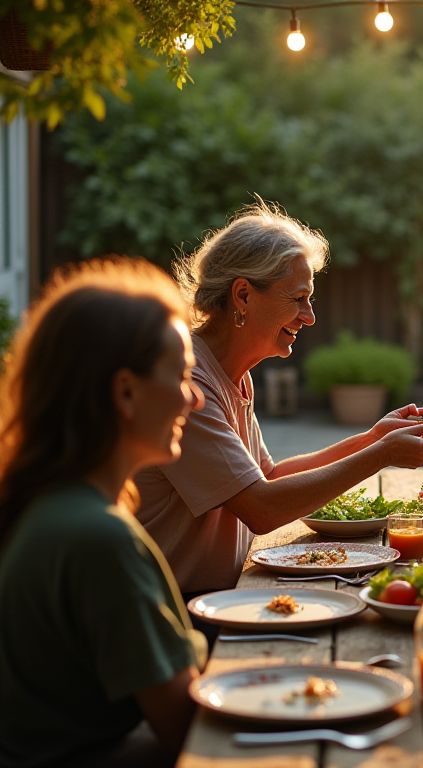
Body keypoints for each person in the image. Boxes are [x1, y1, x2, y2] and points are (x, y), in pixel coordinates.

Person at [136, 202, 423, 595]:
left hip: (221, 597)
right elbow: (262, 508)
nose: (309, 316)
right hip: (177, 614)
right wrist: (381, 455)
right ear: (243, 296)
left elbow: (269, 477)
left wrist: (371, 438)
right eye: (298, 298)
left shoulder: (233, 373)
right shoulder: (190, 382)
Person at [0, 258, 207, 767]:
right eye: (181, 376)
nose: (195, 399)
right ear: (125, 392)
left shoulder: (52, 503)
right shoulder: (97, 537)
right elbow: (188, 732)